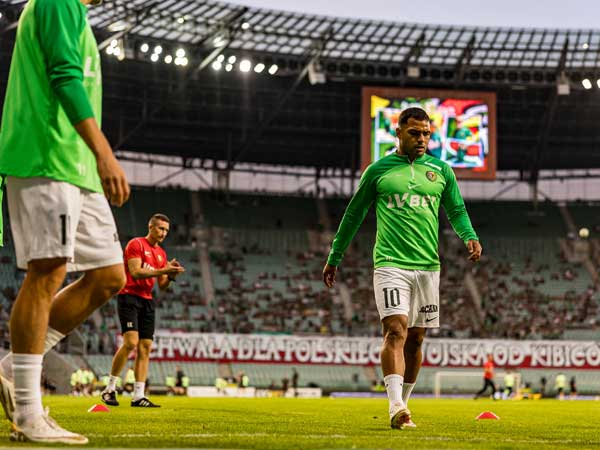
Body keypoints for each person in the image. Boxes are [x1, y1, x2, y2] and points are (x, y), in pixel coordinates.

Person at [0, 0, 130, 443]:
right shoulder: (57, 1)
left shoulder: (75, 10)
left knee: (110, 275)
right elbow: (64, 78)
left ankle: (10, 366)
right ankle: (28, 415)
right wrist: (105, 152)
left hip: (75, 166)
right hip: (46, 154)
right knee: (49, 269)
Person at [322, 107, 481, 430]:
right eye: (414, 133)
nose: (422, 139)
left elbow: (457, 209)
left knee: (417, 339)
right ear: (398, 133)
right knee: (396, 330)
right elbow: (353, 215)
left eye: (426, 133)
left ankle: (404, 403)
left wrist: (469, 236)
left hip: (428, 267)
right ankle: (395, 406)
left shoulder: (442, 171)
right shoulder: (378, 171)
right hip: (390, 264)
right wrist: (335, 254)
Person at [101, 214, 185, 408]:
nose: (163, 233)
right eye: (161, 229)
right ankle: (109, 389)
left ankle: (138, 396)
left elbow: (162, 285)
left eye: (166, 230)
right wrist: (163, 270)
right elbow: (136, 272)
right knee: (130, 343)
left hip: (147, 300)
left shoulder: (161, 254)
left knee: (145, 347)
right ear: (151, 227)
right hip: (128, 296)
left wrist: (170, 274)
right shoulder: (136, 244)